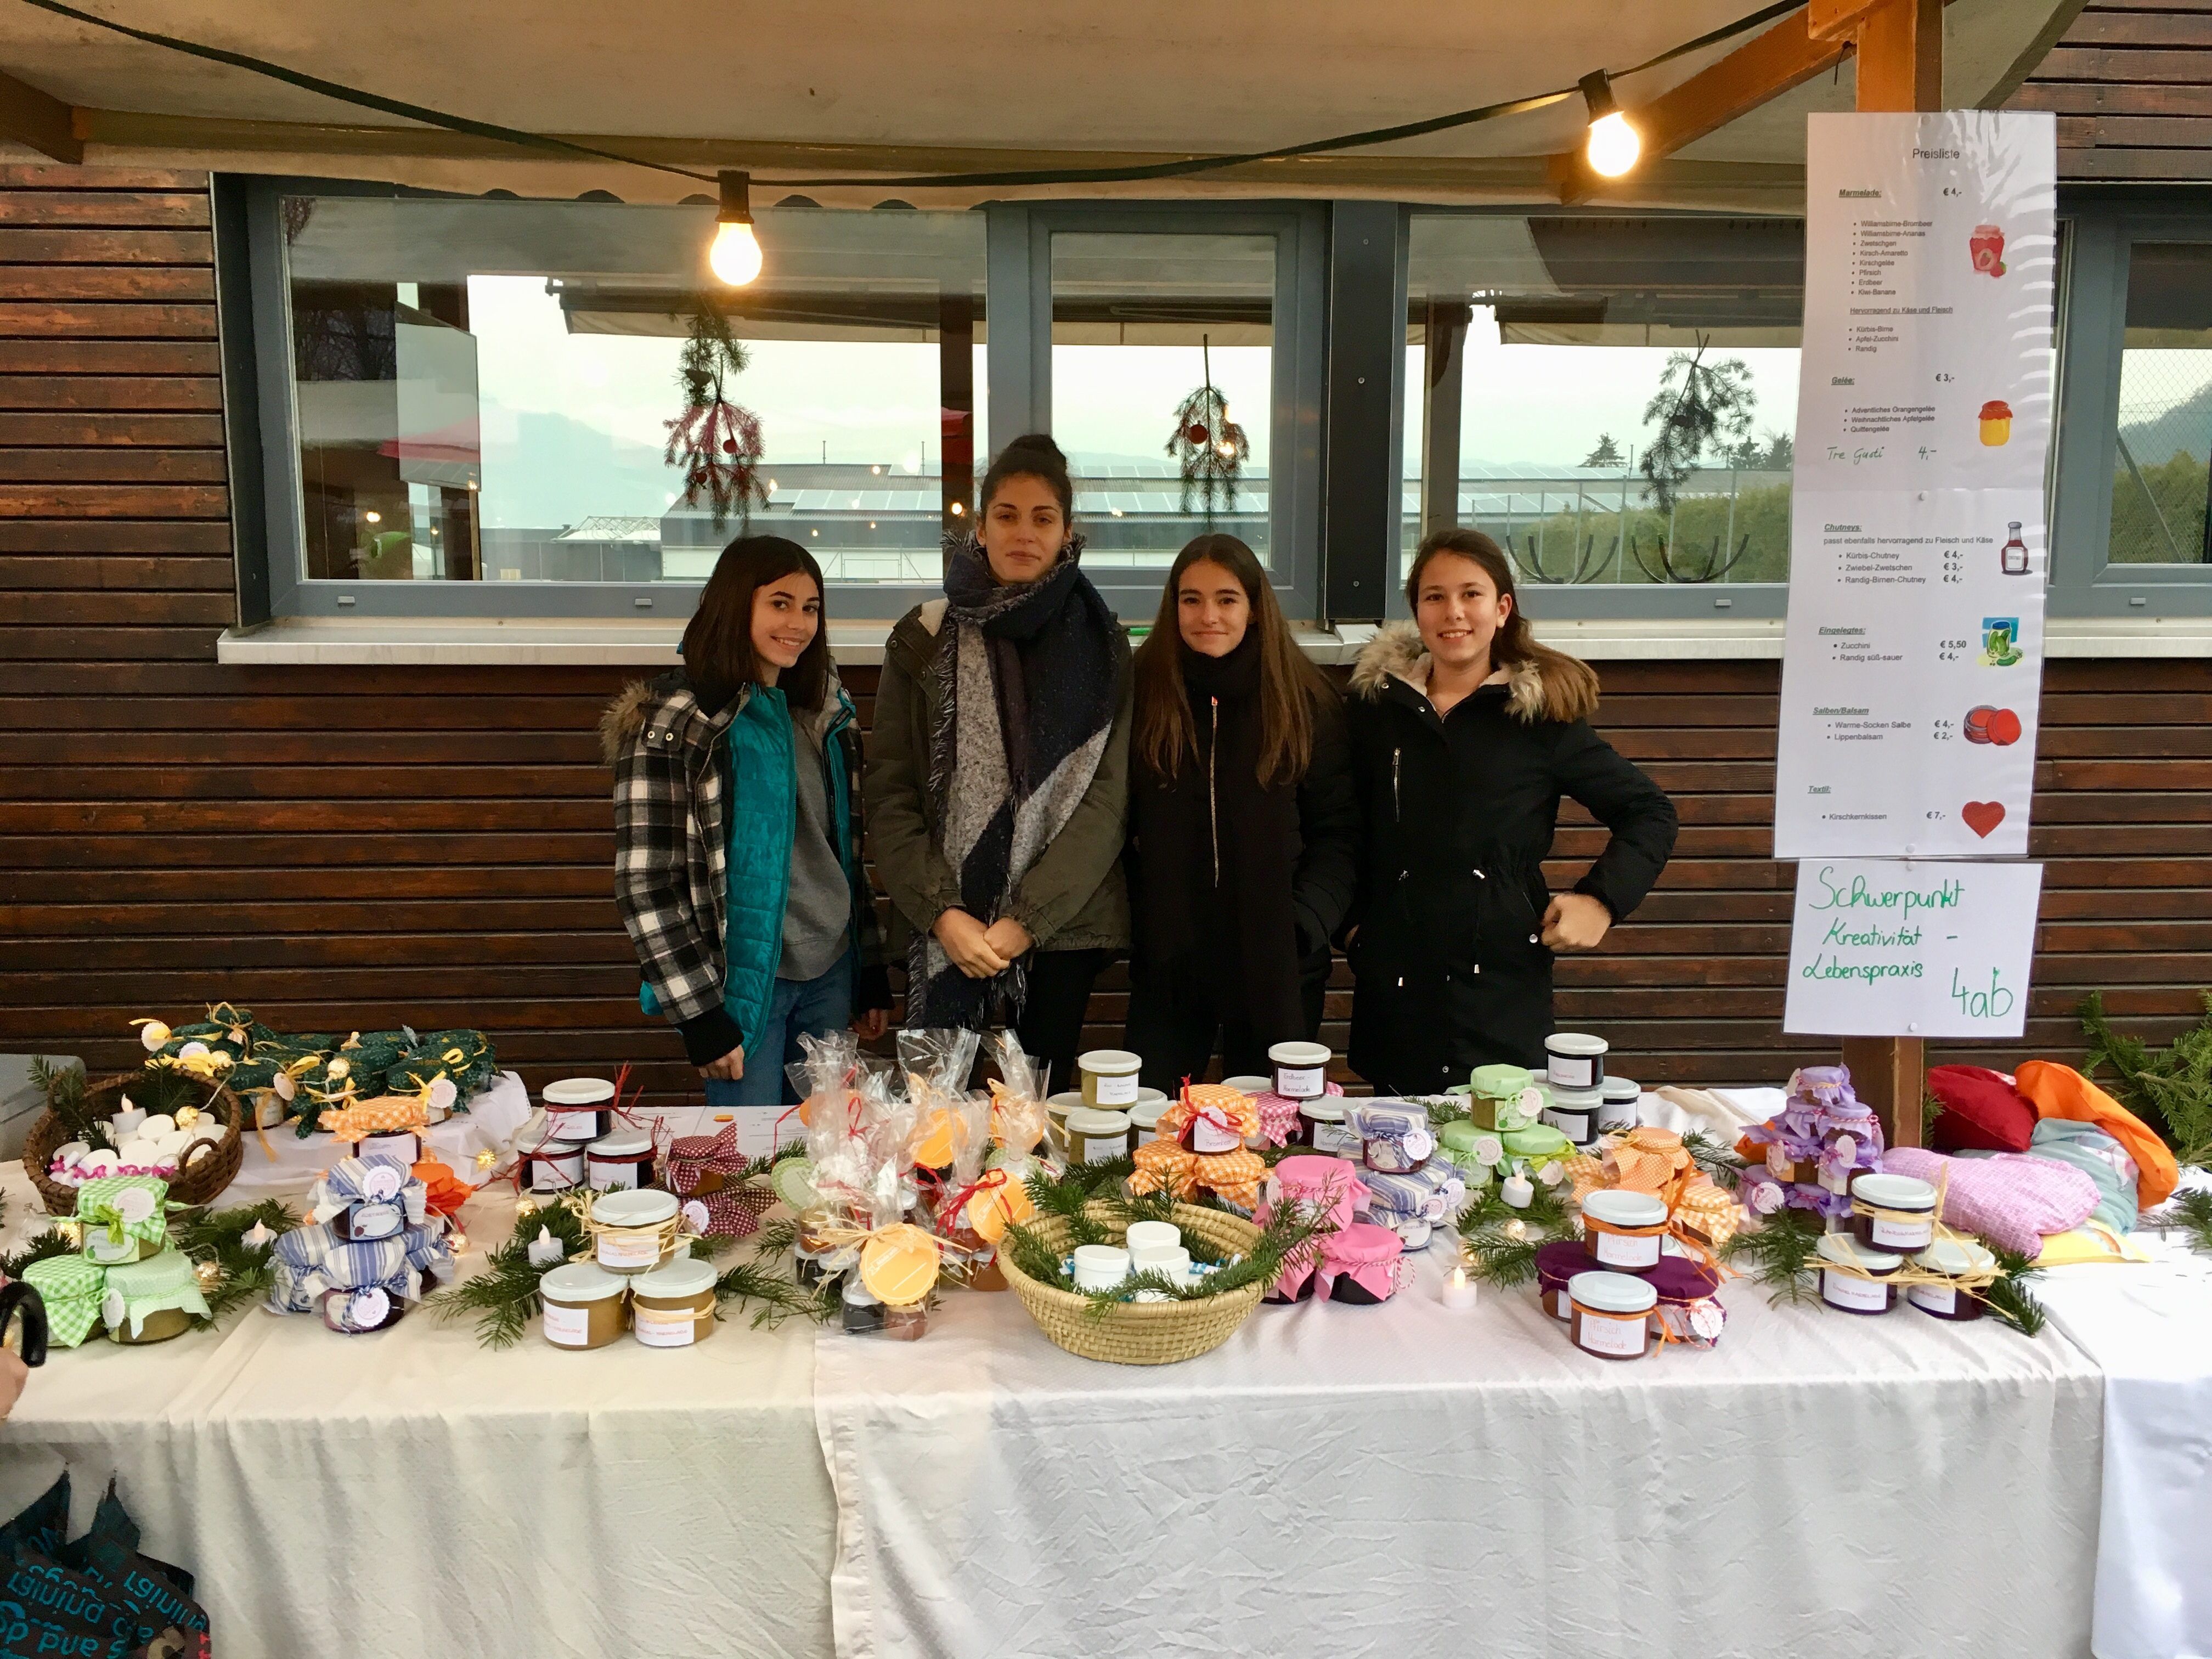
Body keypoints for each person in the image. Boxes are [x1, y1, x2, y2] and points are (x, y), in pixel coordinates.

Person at [1343, 527, 1677, 1093]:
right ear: (1416, 611)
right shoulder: (1377, 710)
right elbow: (1341, 826)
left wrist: (1600, 900)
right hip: (1397, 995)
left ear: (1502, 609)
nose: (1453, 612)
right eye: (1434, 596)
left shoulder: (1540, 720)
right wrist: (1351, 931)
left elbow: (1649, 812)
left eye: (1471, 594)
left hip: (1500, 994)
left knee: (1504, 1165)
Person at [866, 434, 1132, 1091]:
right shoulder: (924, 637)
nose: (1024, 533)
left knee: (1036, 1119)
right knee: (931, 1122)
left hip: (1062, 928)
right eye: (1007, 516)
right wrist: (944, 915)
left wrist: (1026, 922)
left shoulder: (1105, 647)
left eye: (1043, 518)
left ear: (1068, 532)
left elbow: (1106, 802)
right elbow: (890, 792)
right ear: (980, 527)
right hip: (945, 921)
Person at [606, 534, 890, 1106]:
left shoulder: (824, 715)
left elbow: (841, 854)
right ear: (737, 604)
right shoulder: (678, 723)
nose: (799, 624)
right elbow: (646, 883)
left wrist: (869, 968)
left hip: (830, 975)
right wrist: (699, 1017)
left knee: (829, 1158)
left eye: (811, 608)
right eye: (780, 603)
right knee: (751, 1170)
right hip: (740, 987)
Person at [1123, 533, 1357, 1093]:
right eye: (1191, 599)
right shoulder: (1140, 692)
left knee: (1270, 1135)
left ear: (1253, 609)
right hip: (1171, 960)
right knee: (1152, 1125)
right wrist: (1140, 916)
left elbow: (1341, 833)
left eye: (1226, 599)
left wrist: (1305, 924)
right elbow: (1114, 822)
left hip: (1276, 960)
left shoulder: (1303, 699)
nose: (1209, 616)